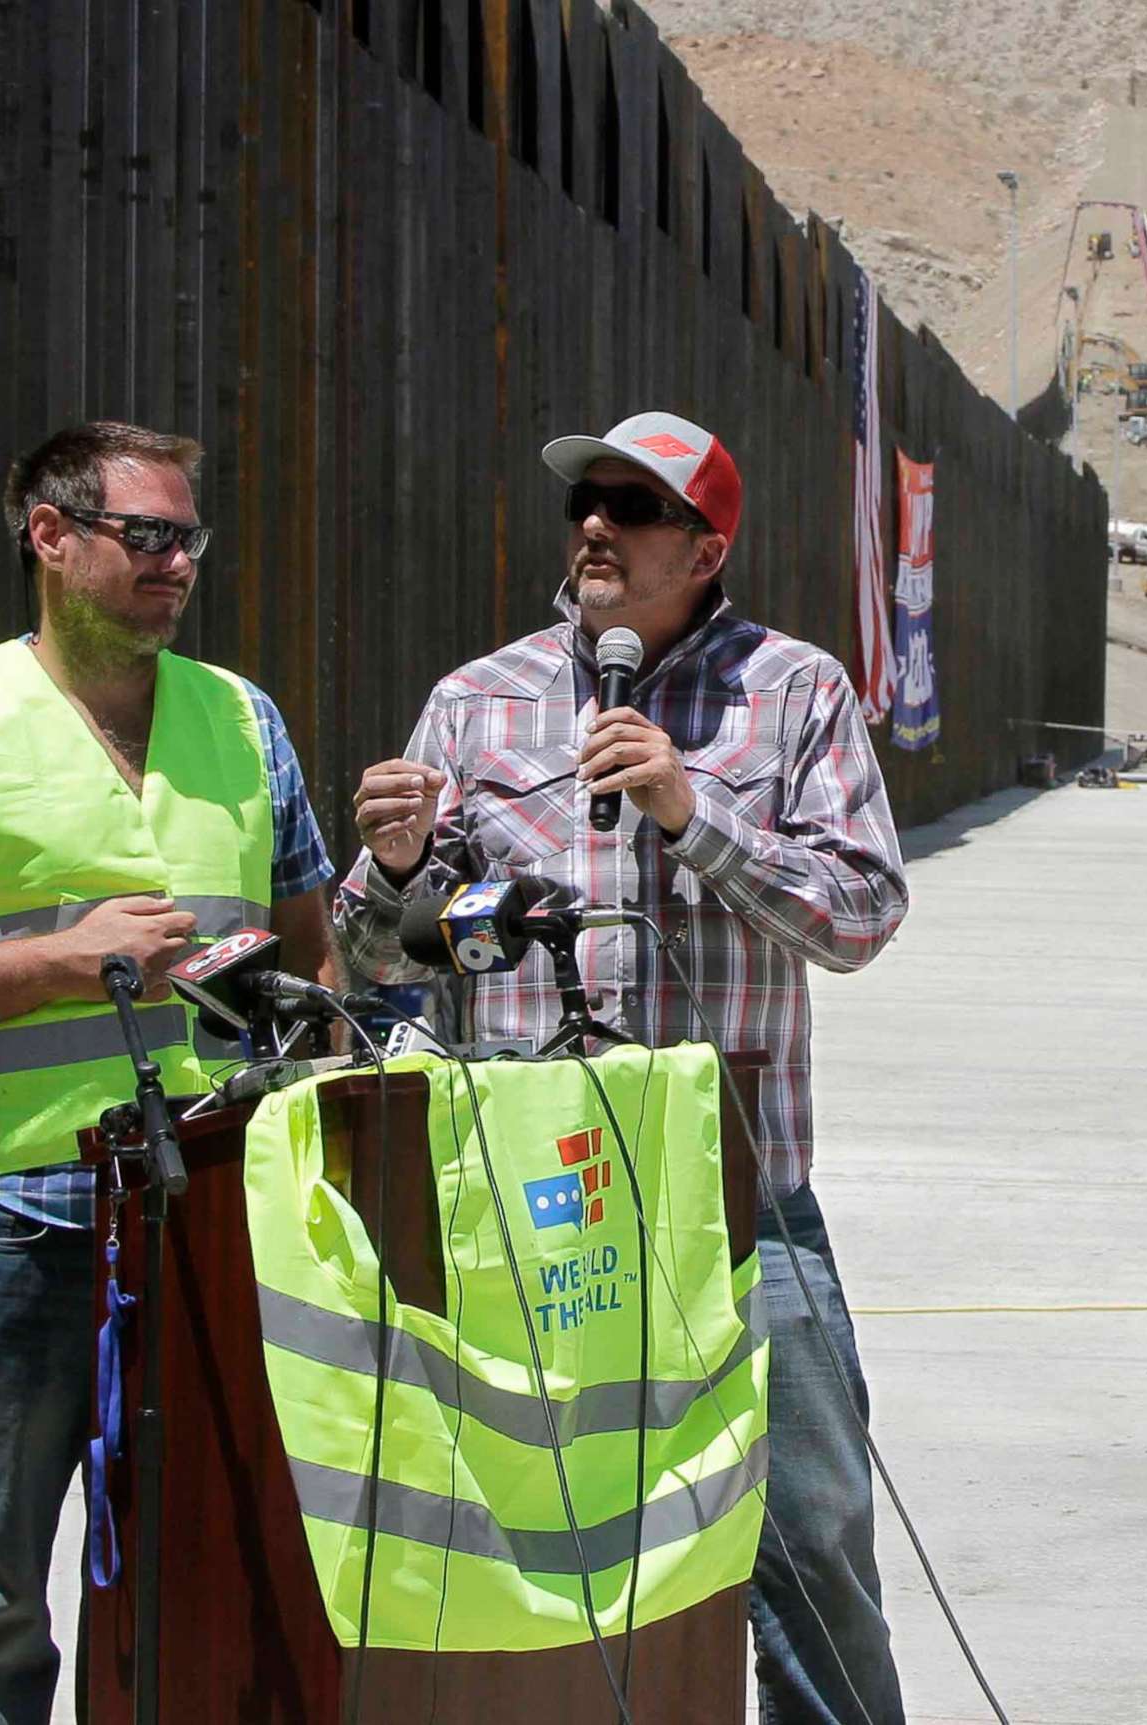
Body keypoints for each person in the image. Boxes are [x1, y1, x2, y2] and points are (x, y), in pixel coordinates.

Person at [335, 411, 911, 1725]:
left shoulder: (797, 690)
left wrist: (690, 814)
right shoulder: (477, 700)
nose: (595, 526)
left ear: (707, 546)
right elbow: (384, 962)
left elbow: (862, 915)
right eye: (583, 502)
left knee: (811, 1537)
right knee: (538, 1558)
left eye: (633, 507)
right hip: (530, 1213)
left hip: (736, 1206)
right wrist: (400, 868)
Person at [0, 421, 339, 1723]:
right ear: (50, 538)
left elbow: (310, 958)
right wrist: (64, 964)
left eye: (188, 539)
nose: (176, 565)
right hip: (19, 1218)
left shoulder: (243, 719)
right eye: (145, 536)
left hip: (220, 1212)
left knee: (217, 1561)